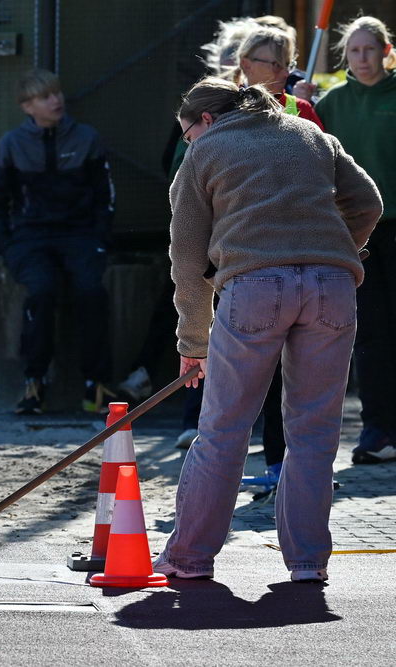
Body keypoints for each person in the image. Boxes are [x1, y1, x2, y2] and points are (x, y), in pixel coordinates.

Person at [154, 78, 382, 583]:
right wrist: (341, 248)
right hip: (332, 284)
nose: (187, 142)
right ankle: (308, 563)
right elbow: (368, 201)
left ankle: (188, 557)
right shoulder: (310, 133)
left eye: (186, 133)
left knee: (223, 430)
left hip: (254, 284)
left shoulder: (205, 152)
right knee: (315, 433)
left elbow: (187, 259)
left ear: (206, 120)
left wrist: (193, 342)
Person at [0, 68, 115, 415]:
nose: (56, 101)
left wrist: (100, 239)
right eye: (45, 97)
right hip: (31, 238)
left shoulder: (87, 138)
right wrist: (8, 246)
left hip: (81, 236)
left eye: (56, 93)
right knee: (41, 292)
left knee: (91, 292)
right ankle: (34, 383)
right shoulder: (11, 144)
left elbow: (105, 197)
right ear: (27, 107)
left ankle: (95, 386)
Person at [314, 16, 396, 464]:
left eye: (370, 49)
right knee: (370, 334)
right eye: (355, 50)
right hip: (355, 230)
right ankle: (378, 431)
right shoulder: (332, 104)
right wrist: (302, 106)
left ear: (386, 52)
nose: (362, 58)